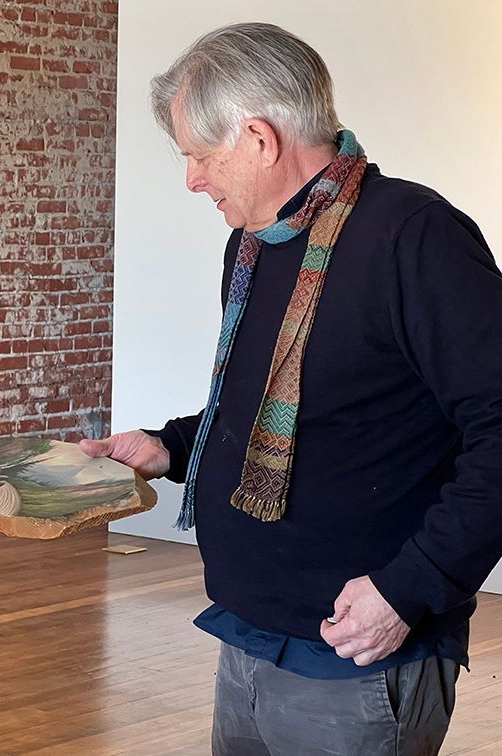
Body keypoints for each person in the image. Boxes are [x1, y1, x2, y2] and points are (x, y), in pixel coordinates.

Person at [81, 22, 502, 755]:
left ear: (259, 139)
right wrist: (170, 446)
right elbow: (270, 405)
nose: (192, 180)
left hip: (359, 659)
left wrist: (412, 586)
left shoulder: (415, 237)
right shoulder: (255, 247)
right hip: (248, 634)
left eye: (199, 156)